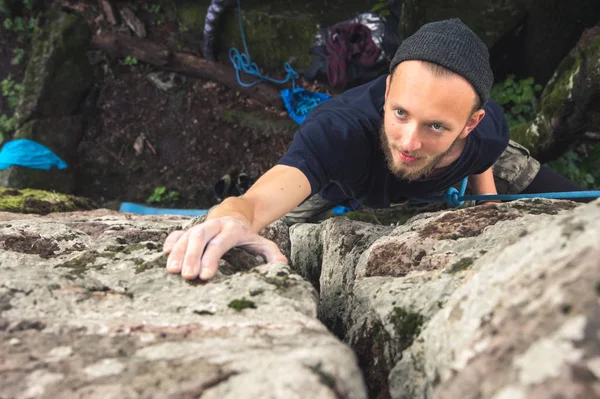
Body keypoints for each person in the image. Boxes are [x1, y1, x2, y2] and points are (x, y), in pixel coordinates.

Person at [163, 18, 588, 281]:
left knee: (580, 208)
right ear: (387, 91)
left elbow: (485, 154)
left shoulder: (487, 131)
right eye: (401, 112)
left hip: (459, 163)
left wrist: (485, 209)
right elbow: (257, 203)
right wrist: (235, 217)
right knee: (283, 227)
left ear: (470, 124)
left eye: (436, 125)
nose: (409, 142)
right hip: (345, 182)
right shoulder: (339, 133)